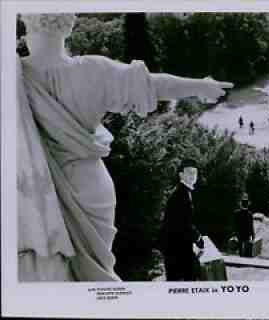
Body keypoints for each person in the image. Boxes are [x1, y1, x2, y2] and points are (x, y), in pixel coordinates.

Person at [17, 13, 233, 282]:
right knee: (94, 278)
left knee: (46, 276)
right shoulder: (92, 70)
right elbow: (153, 84)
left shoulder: (11, 77)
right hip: (89, 185)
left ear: (28, 27)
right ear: (68, 27)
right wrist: (200, 86)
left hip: (32, 193)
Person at [160, 159, 204, 281]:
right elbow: (185, 223)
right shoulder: (182, 194)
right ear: (181, 174)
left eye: (195, 173)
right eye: (189, 172)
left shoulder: (182, 191)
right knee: (185, 281)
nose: (193, 176)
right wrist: (198, 238)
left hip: (174, 246)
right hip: (176, 247)